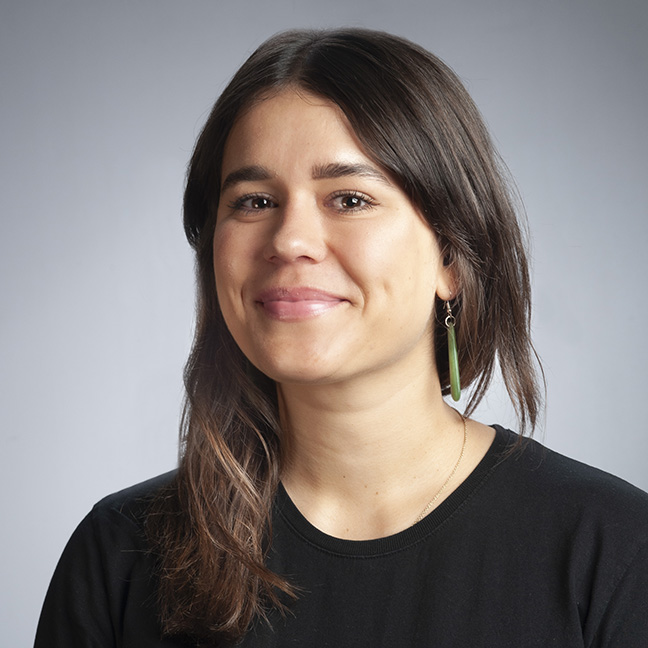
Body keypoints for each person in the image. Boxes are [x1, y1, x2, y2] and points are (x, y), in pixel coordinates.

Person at [35, 28, 648, 647]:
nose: (289, 240)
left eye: (350, 199)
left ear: (452, 259)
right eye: (254, 201)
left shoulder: (615, 548)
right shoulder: (120, 555)